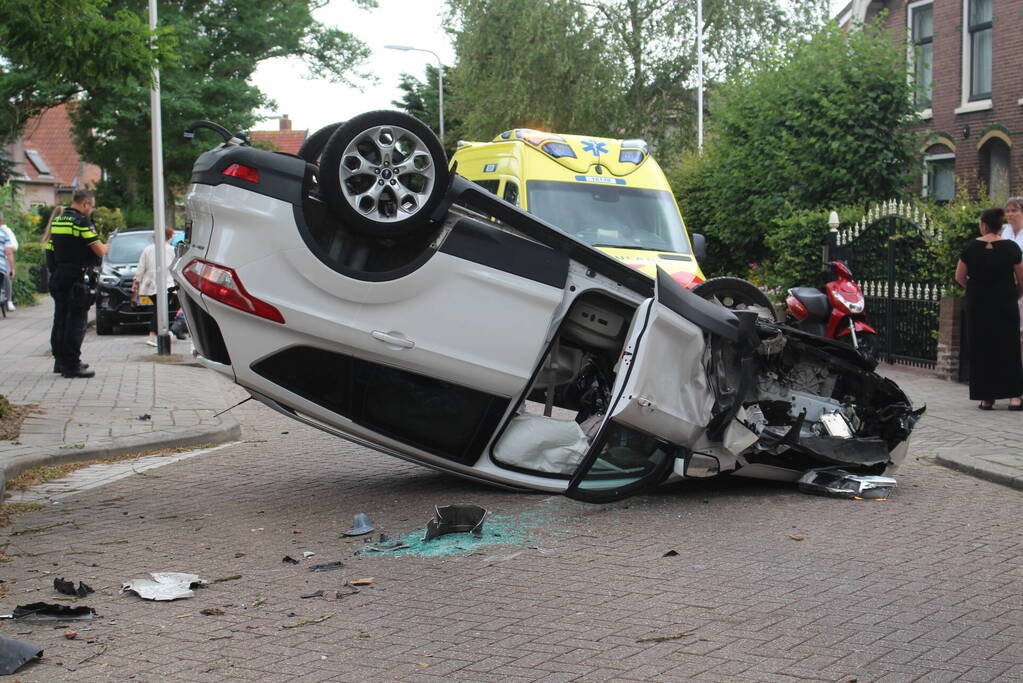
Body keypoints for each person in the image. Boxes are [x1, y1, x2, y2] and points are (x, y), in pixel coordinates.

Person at [955, 207, 1023, 409]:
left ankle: (987, 398)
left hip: (978, 305)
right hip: (1005, 303)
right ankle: (1014, 397)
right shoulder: (1011, 248)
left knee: (982, 348)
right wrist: (1014, 293)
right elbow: (1022, 278)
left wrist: (976, 289)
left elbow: (959, 276)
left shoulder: (971, 247)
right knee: (1008, 347)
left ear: (983, 225)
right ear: (1000, 225)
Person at [48, 189, 107, 378]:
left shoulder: (57, 221)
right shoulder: (81, 222)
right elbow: (98, 250)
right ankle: (72, 364)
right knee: (76, 321)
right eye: (92, 206)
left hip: (59, 275)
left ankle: (60, 361)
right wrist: (106, 246)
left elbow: (51, 249)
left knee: (60, 319)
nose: (91, 210)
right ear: (86, 204)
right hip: (76, 277)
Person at [131, 226, 176, 347]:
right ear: (169, 237)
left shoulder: (148, 249)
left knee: (158, 309)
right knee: (162, 309)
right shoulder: (172, 250)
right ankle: (153, 335)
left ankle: (165, 332)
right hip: (168, 284)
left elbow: (141, 267)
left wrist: (136, 282)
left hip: (150, 285)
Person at [1001, 197, 1023, 358]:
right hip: (1007, 286)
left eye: (1014, 210)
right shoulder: (1005, 231)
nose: (1010, 215)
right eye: (1007, 211)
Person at [0, 210, 18, 310]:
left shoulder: (6, 231)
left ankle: (9, 300)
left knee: (7, 276)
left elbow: (12, 247)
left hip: (4, 259)